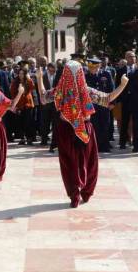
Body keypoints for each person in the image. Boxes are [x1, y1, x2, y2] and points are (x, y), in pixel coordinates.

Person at [36, 62, 128, 207]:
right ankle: (83, 192)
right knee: (87, 162)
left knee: (71, 164)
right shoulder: (84, 90)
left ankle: (75, 194)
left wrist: (39, 79)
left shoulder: (61, 90)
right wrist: (122, 85)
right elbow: (108, 98)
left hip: (69, 130)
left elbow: (43, 97)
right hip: (81, 130)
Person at [85, 57, 115, 153]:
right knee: (94, 126)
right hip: (91, 106)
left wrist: (112, 103)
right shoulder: (85, 76)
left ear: (98, 66)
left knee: (105, 125)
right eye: (90, 68)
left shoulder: (106, 74)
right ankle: (95, 146)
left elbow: (111, 88)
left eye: (94, 68)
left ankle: (104, 146)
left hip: (104, 105)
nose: (92, 70)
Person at [114, 51, 136, 149]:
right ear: (126, 58)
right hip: (125, 99)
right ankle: (123, 142)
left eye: (134, 57)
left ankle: (135, 141)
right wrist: (118, 99)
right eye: (130, 57)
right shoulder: (120, 71)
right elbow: (117, 86)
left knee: (136, 121)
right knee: (124, 121)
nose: (133, 58)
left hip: (136, 99)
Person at [10, 66, 36, 145]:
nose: (21, 75)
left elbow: (33, 87)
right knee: (20, 122)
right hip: (19, 104)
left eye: (23, 74)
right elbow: (12, 92)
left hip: (28, 104)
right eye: (20, 74)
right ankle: (22, 138)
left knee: (28, 121)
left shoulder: (28, 81)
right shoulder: (15, 82)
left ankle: (30, 138)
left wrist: (29, 79)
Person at [40, 63, 57, 148]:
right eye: (52, 69)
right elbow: (40, 88)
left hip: (54, 104)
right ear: (48, 68)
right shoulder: (42, 76)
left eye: (54, 69)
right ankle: (44, 140)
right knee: (45, 122)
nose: (53, 71)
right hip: (45, 104)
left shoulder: (57, 76)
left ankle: (54, 141)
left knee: (55, 123)